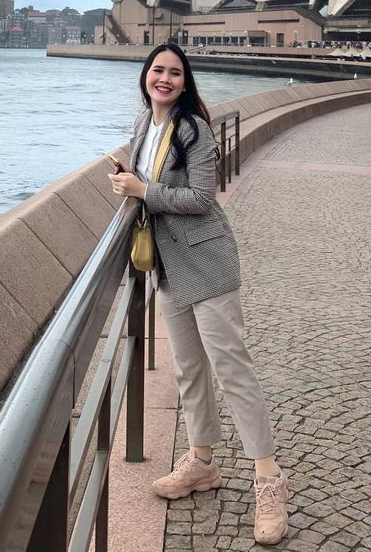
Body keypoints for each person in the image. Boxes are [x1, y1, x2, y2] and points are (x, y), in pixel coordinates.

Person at [108, 43, 289, 546]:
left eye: (174, 73)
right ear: (146, 77)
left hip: (206, 263)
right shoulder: (146, 127)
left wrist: (144, 192)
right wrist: (130, 179)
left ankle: (269, 481)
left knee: (233, 371)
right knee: (188, 370)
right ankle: (202, 462)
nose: (164, 79)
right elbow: (151, 184)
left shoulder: (193, 129)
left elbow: (202, 198)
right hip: (169, 267)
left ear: (185, 83)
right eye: (157, 70)